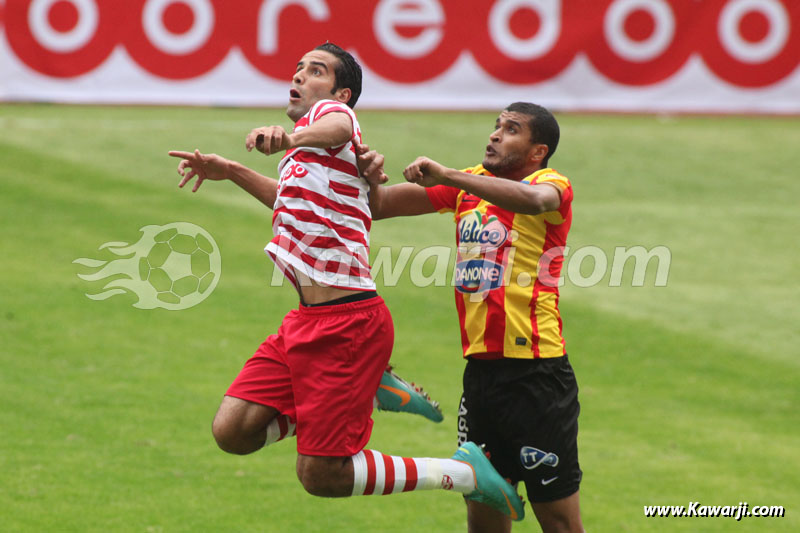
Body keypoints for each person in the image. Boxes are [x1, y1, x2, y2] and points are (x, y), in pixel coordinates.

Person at [167, 43, 524, 520]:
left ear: (341, 92)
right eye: (297, 68)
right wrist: (230, 171)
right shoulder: (309, 157)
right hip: (305, 321)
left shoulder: (332, 122)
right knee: (233, 432)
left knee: (322, 476)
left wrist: (292, 138)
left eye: (316, 71)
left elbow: (336, 123)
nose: (300, 76)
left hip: (348, 324)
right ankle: (368, 387)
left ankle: (464, 473)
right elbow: (286, 201)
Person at [358, 102, 584, 533]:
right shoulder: (471, 186)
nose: (496, 135)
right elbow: (380, 205)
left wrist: (447, 175)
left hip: (536, 379)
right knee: (483, 517)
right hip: (480, 379)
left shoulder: (551, 184)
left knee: (558, 523)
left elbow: (535, 201)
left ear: (537, 151)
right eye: (496, 126)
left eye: (511, 129)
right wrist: (365, 174)